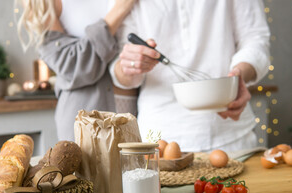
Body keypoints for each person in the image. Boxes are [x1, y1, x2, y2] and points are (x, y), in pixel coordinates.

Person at [110, 0, 271, 152]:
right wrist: (130, 64)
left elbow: (255, 39)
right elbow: (121, 69)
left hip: (230, 136)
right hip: (158, 141)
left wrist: (239, 76)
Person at [16, 0, 137, 141]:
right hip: (87, 122)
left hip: (142, 109)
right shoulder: (41, 2)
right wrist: (121, 8)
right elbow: (70, 64)